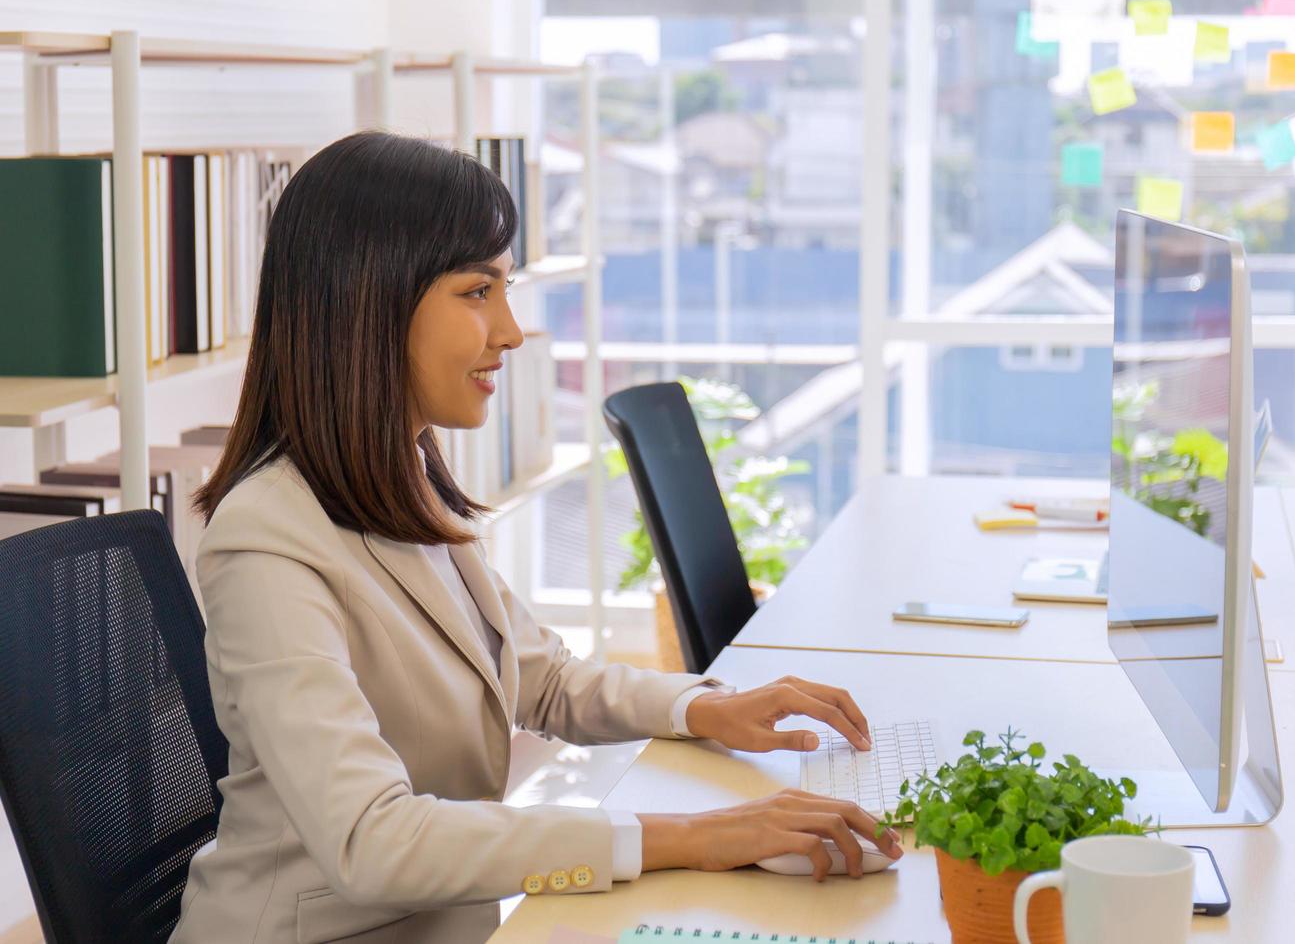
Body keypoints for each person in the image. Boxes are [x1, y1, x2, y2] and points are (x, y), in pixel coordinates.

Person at [170, 131, 901, 944]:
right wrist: (693, 837)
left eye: (504, 290)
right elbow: (367, 840)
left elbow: (538, 678)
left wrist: (707, 709)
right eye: (478, 292)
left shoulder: (399, 474)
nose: (512, 331)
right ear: (368, 302)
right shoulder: (267, 544)